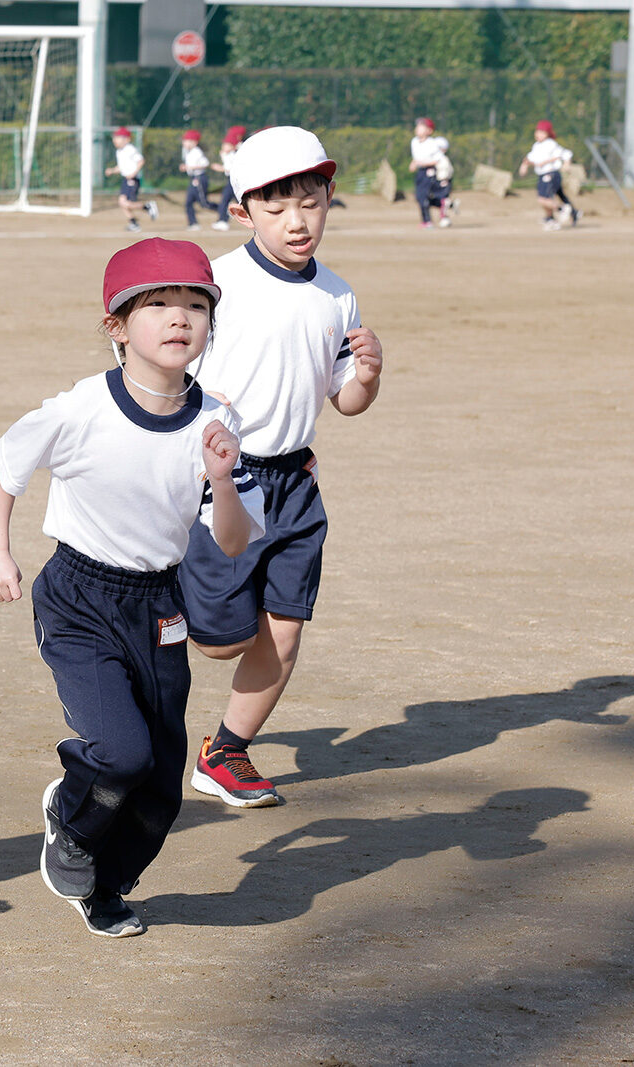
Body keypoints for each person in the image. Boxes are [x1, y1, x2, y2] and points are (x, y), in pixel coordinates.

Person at [0, 238, 263, 937]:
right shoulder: (81, 409)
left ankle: (105, 885)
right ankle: (69, 819)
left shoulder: (215, 419)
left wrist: (223, 477)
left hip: (161, 604)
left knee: (161, 786)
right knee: (120, 752)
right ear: (116, 326)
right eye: (159, 303)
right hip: (79, 596)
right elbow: (7, 463)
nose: (179, 317)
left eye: (196, 304)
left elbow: (232, 537)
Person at [179, 126, 383, 808]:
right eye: (276, 207)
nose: (297, 220)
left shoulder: (337, 295)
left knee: (285, 629)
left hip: (295, 483)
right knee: (219, 642)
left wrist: (370, 374)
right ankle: (155, 595)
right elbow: (164, 366)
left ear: (329, 197)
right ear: (242, 213)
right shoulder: (215, 283)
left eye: (311, 200)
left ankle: (224, 753)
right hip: (225, 484)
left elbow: (346, 398)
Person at [518, 120, 575, 231]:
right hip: (542, 174)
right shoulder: (536, 146)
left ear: (548, 133)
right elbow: (529, 159)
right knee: (545, 199)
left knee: (542, 199)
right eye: (538, 132)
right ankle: (551, 219)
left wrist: (567, 164)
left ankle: (563, 208)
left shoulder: (550, 144)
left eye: (542, 132)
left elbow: (566, 154)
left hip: (551, 174)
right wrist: (524, 166)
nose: (539, 134)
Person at [105, 127, 157, 232]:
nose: (115, 140)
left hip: (132, 180)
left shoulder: (130, 149)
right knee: (122, 203)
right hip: (125, 179)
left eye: (118, 138)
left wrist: (133, 174)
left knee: (125, 203)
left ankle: (147, 206)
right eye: (115, 138)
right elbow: (121, 167)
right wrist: (112, 170)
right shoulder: (119, 151)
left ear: (126, 139)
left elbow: (141, 161)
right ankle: (134, 223)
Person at [408, 117, 455, 229]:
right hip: (420, 172)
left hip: (429, 172)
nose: (418, 128)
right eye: (418, 126)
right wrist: (414, 163)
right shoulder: (414, 141)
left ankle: (427, 221)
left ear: (429, 131)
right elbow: (417, 157)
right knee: (419, 197)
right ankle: (446, 204)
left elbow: (438, 160)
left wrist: (422, 163)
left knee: (424, 195)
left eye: (422, 126)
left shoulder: (432, 143)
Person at [209, 125, 245, 232]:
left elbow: (231, 169)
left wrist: (219, 168)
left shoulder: (236, 153)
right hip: (230, 180)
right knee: (228, 200)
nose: (224, 146)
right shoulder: (229, 154)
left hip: (235, 181)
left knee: (236, 201)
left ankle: (223, 220)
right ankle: (222, 220)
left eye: (227, 144)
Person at [178, 129, 213, 231]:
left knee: (203, 203)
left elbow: (205, 164)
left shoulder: (197, 152)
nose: (184, 143)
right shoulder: (188, 152)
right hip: (193, 179)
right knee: (188, 202)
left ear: (194, 142)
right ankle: (193, 223)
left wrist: (189, 167)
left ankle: (224, 212)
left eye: (187, 141)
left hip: (199, 178)